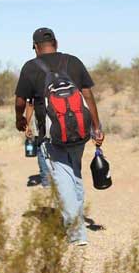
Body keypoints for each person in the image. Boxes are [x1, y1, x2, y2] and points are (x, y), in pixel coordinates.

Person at [15, 27, 104, 246]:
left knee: (63, 178)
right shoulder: (73, 61)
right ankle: (78, 219)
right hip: (80, 131)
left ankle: (76, 233)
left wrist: (20, 119)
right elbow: (88, 95)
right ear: (55, 42)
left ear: (35, 47)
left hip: (52, 136)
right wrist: (97, 127)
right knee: (75, 173)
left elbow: (20, 100)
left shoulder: (30, 67)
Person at [24, 98, 50, 188]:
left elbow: (30, 103)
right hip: (58, 121)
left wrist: (27, 125)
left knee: (42, 151)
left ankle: (47, 182)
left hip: (41, 124)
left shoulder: (33, 84)